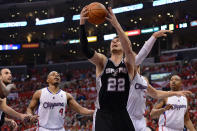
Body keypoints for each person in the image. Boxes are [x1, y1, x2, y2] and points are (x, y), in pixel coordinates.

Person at [80, 6, 136, 131]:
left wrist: (116, 25)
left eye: (118, 40)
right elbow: (85, 50)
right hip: (103, 115)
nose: (114, 42)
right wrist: (82, 24)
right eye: (112, 41)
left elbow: (128, 49)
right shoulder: (103, 61)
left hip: (122, 113)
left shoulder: (129, 63)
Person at [26, 71, 94, 131]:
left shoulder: (67, 95)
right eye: (53, 74)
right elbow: (30, 108)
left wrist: (95, 111)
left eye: (58, 75)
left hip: (60, 128)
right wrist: (30, 115)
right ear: (47, 80)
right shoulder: (39, 93)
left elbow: (81, 110)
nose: (56, 75)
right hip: (43, 128)